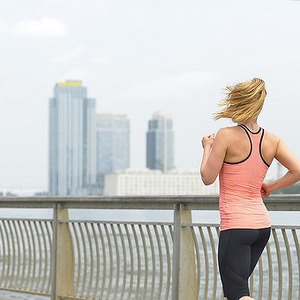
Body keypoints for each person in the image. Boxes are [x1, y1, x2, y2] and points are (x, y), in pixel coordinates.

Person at [200, 78, 300, 300]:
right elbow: (297, 170)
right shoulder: (272, 140)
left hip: (236, 226)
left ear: (238, 103)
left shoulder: (226, 135)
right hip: (261, 227)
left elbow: (207, 177)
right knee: (235, 292)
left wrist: (206, 148)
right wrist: (271, 187)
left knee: (237, 293)